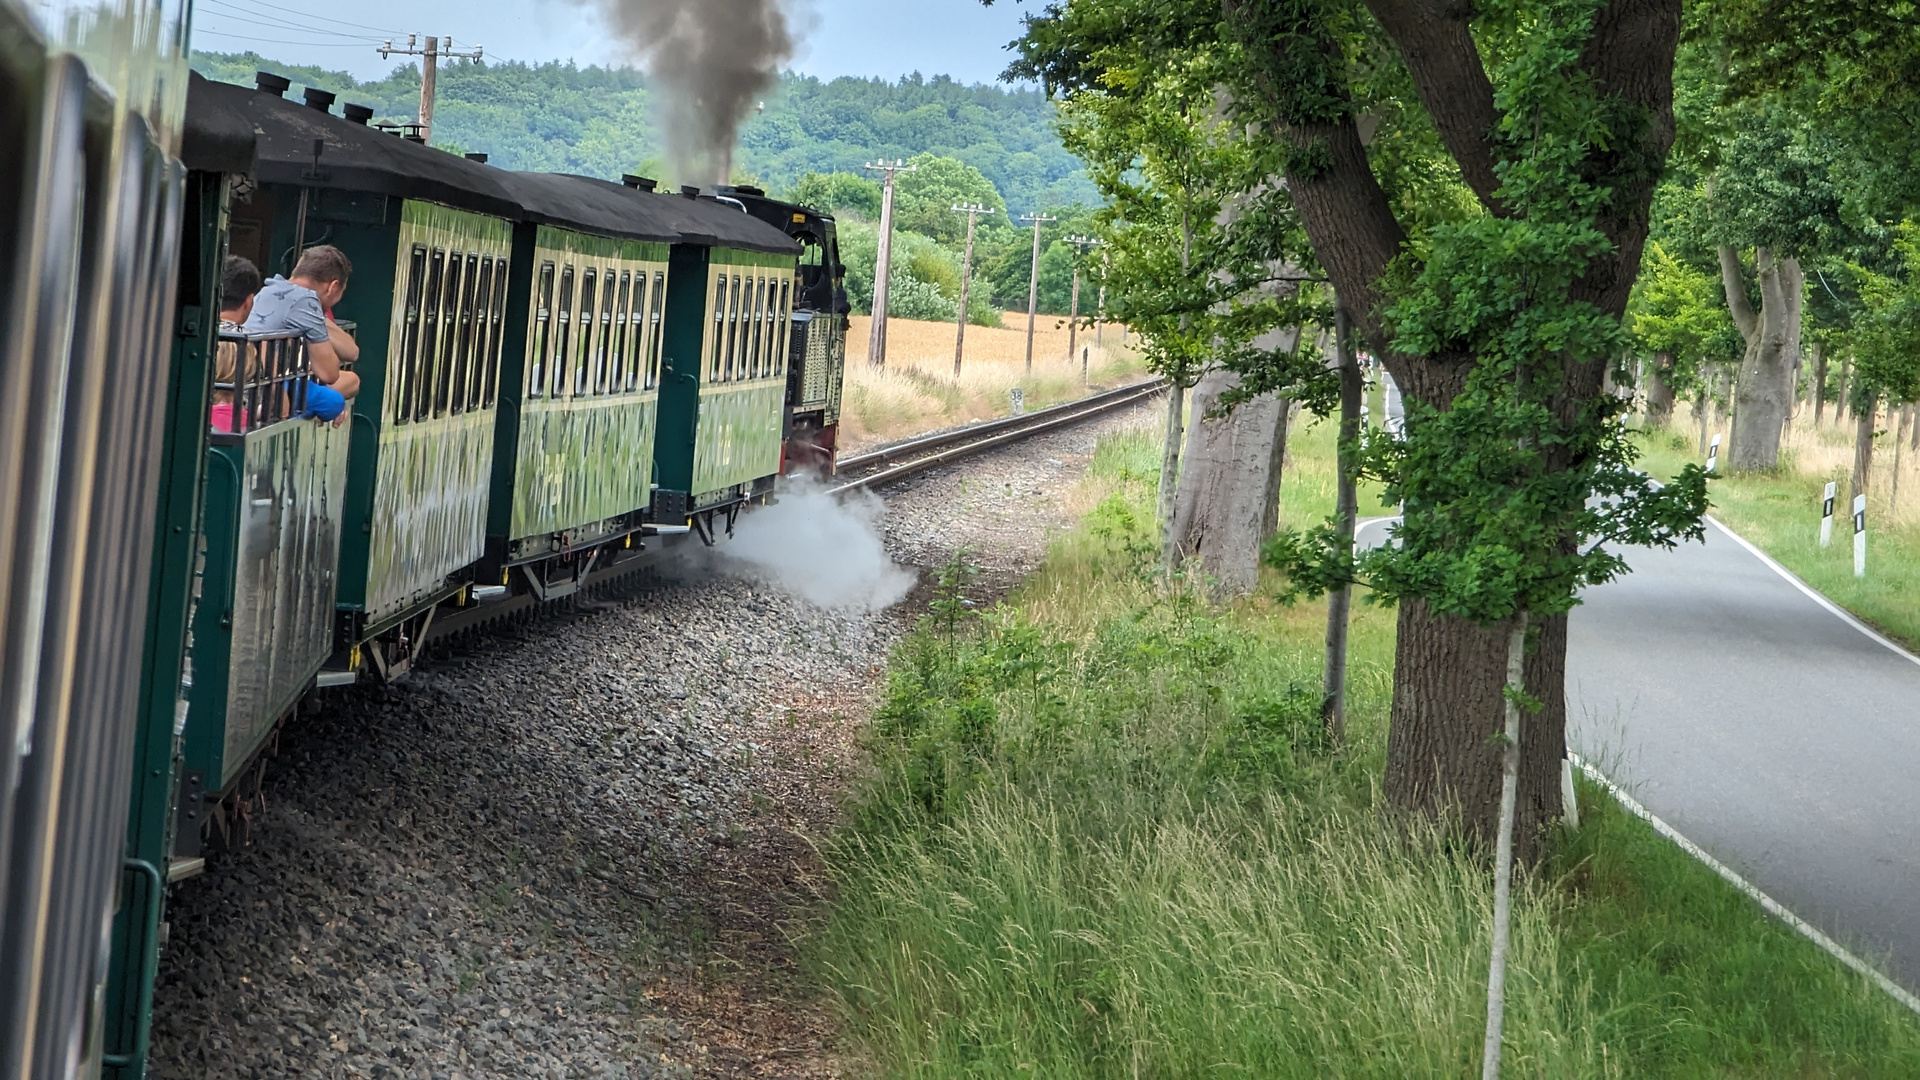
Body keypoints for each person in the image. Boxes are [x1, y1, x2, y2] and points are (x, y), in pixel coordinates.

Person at [244, 243, 362, 407]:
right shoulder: (305, 300)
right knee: (349, 382)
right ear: (333, 286)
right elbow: (329, 374)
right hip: (261, 392)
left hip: (248, 381)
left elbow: (351, 352)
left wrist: (317, 317)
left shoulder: (271, 288)